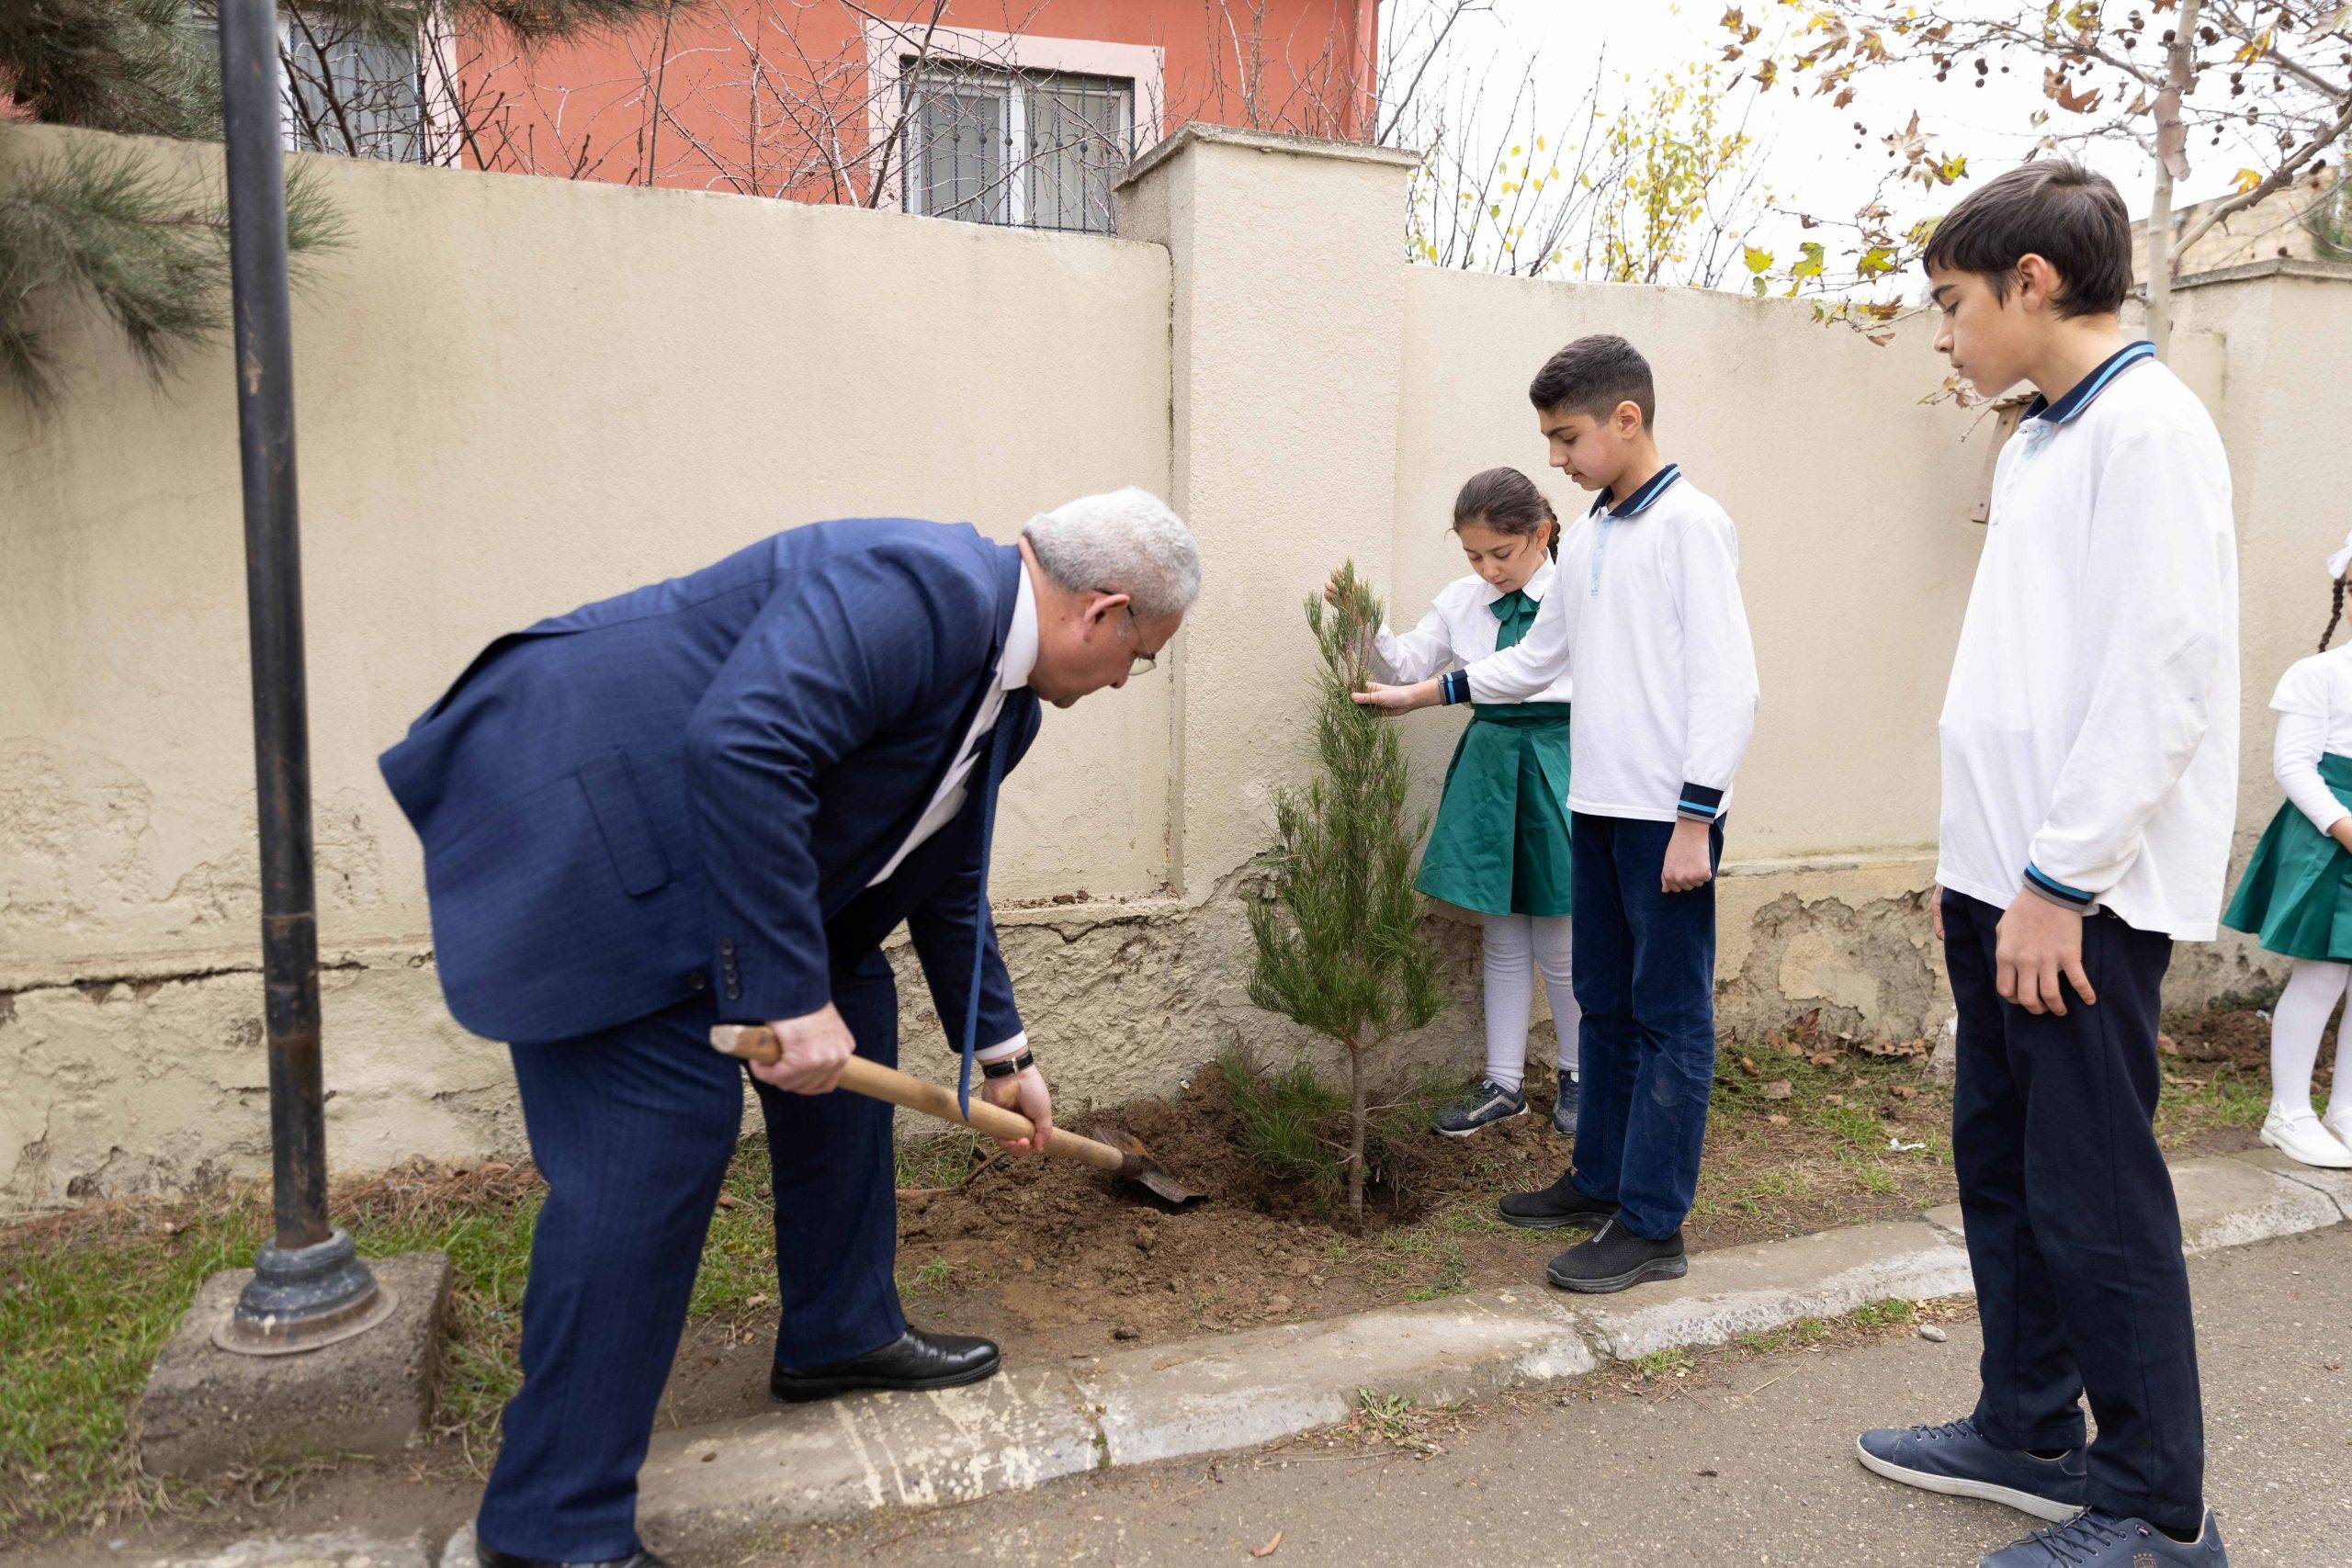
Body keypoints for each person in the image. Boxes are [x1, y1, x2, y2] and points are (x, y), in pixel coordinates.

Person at [378, 491, 1200, 1568]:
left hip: (732, 875)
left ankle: (839, 1331)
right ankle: (550, 1528)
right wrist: (780, 991)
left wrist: (1002, 1054)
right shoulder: (924, 589)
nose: (1127, 682)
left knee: (856, 1004)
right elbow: (745, 741)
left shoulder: (1008, 703)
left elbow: (943, 875)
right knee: (657, 1142)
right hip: (595, 843)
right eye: (1142, 657)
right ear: (1105, 611)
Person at [1853, 162, 2237, 1568]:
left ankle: (2158, 1506)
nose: (1942, 335)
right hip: (2003, 878)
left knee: (2094, 1189)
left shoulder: (2150, 431)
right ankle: (2027, 1427)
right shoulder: (2041, 443)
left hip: (2076, 898)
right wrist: (1996, 870)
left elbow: (2164, 675)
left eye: (1952, 304)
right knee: (2004, 1166)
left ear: (2032, 282)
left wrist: (2061, 879)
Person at [1354, 335, 1759, 1295]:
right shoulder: (1593, 535)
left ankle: (1652, 1225)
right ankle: (1597, 1180)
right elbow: (1537, 661)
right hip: (1597, 805)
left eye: (1566, 436)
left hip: (1669, 820)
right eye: (1547, 439)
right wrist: (1427, 693)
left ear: (1627, 420)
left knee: (1669, 1020)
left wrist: (1697, 819)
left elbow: (1728, 683)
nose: (1556, 459)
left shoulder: (1691, 526)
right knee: (1605, 1007)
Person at [1340, 468, 1582, 1137]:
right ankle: (1503, 1083)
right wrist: (1362, 623)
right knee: (1502, 930)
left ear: (1542, 533)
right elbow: (1406, 664)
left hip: (1560, 757)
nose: (1488, 569)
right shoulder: (1462, 598)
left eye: (1501, 554)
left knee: (1561, 931)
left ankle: (1579, 1075)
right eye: (1474, 555)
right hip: (1490, 762)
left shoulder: (1573, 590)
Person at [2222, 531, 2352, 1168]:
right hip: (2330, 831)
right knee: (2325, 968)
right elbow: (2294, 765)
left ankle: (2347, 1110)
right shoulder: (2319, 674)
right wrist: (2343, 824)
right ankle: (2289, 1111)